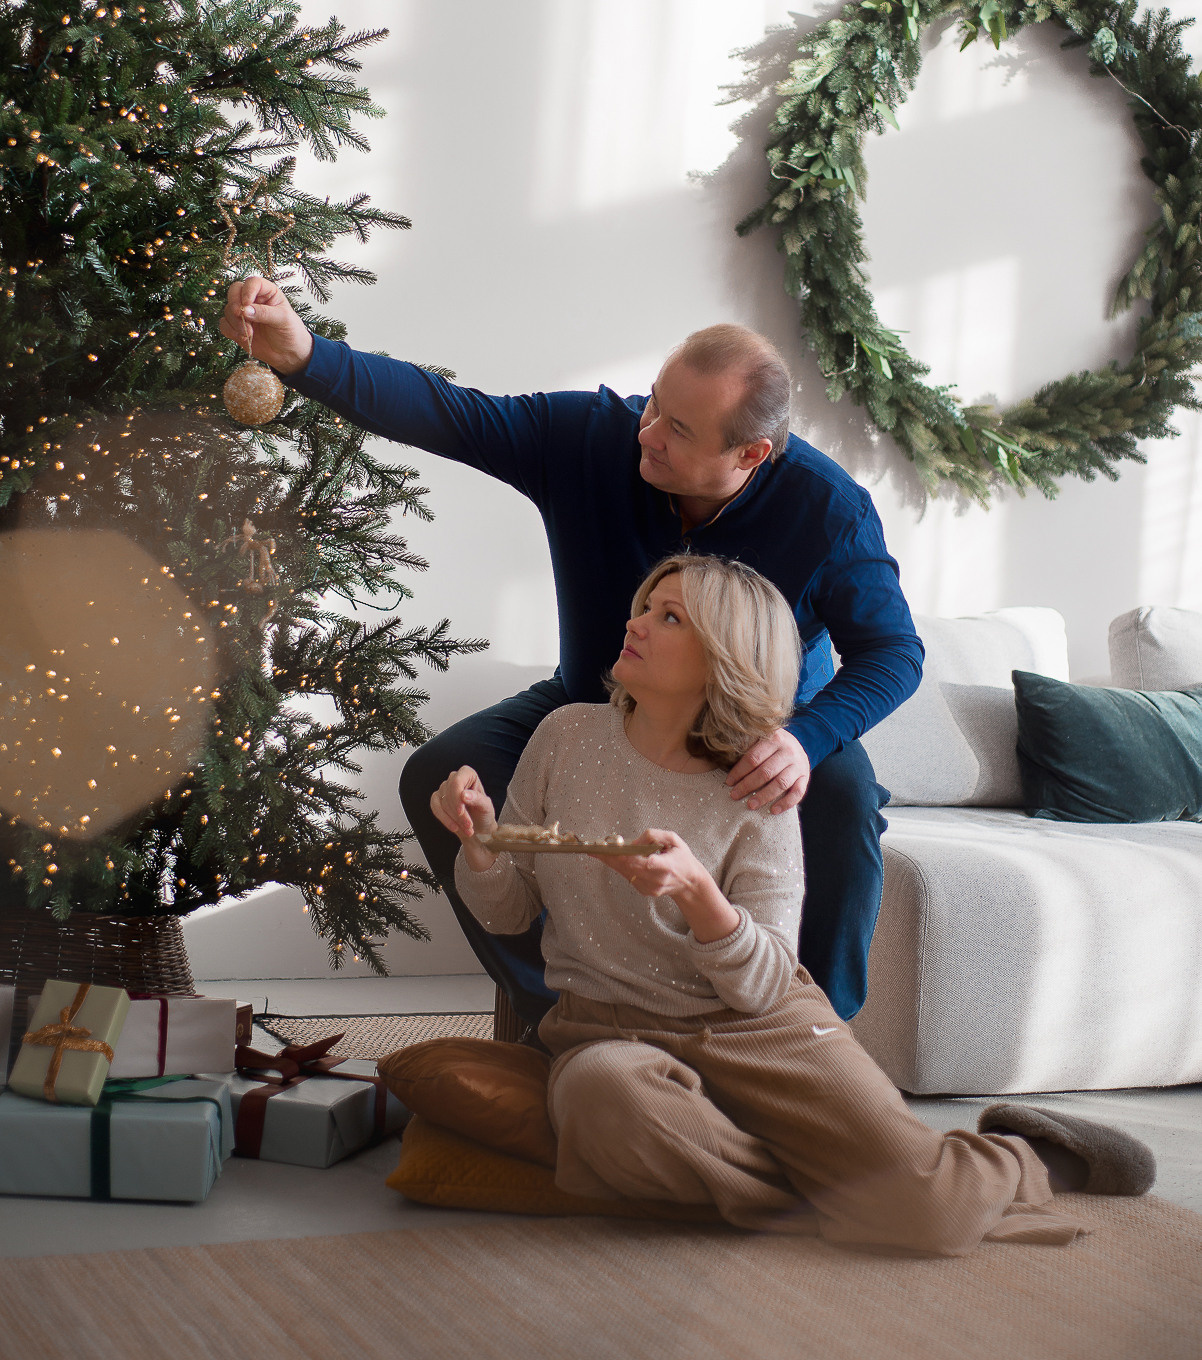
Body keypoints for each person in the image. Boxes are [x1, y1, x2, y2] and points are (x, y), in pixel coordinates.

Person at [219, 281, 925, 1025]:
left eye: (679, 429)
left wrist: (807, 738)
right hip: (596, 702)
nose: (648, 433)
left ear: (750, 454)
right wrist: (304, 355)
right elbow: (452, 414)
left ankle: (816, 1035)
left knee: (842, 793)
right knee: (439, 771)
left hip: (756, 730)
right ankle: (559, 1015)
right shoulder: (592, 437)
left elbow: (893, 652)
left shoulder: (829, 510)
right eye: (654, 404)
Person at [429, 553, 1154, 1252]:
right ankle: (859, 1197)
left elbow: (764, 983)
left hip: (757, 1029)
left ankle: (1026, 1158)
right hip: (606, 1035)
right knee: (601, 1098)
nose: (636, 622)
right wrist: (481, 846)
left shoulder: (760, 782)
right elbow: (508, 913)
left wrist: (699, 896)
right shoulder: (564, 738)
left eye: (669, 617)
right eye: (645, 606)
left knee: (933, 1217)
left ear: (725, 657)